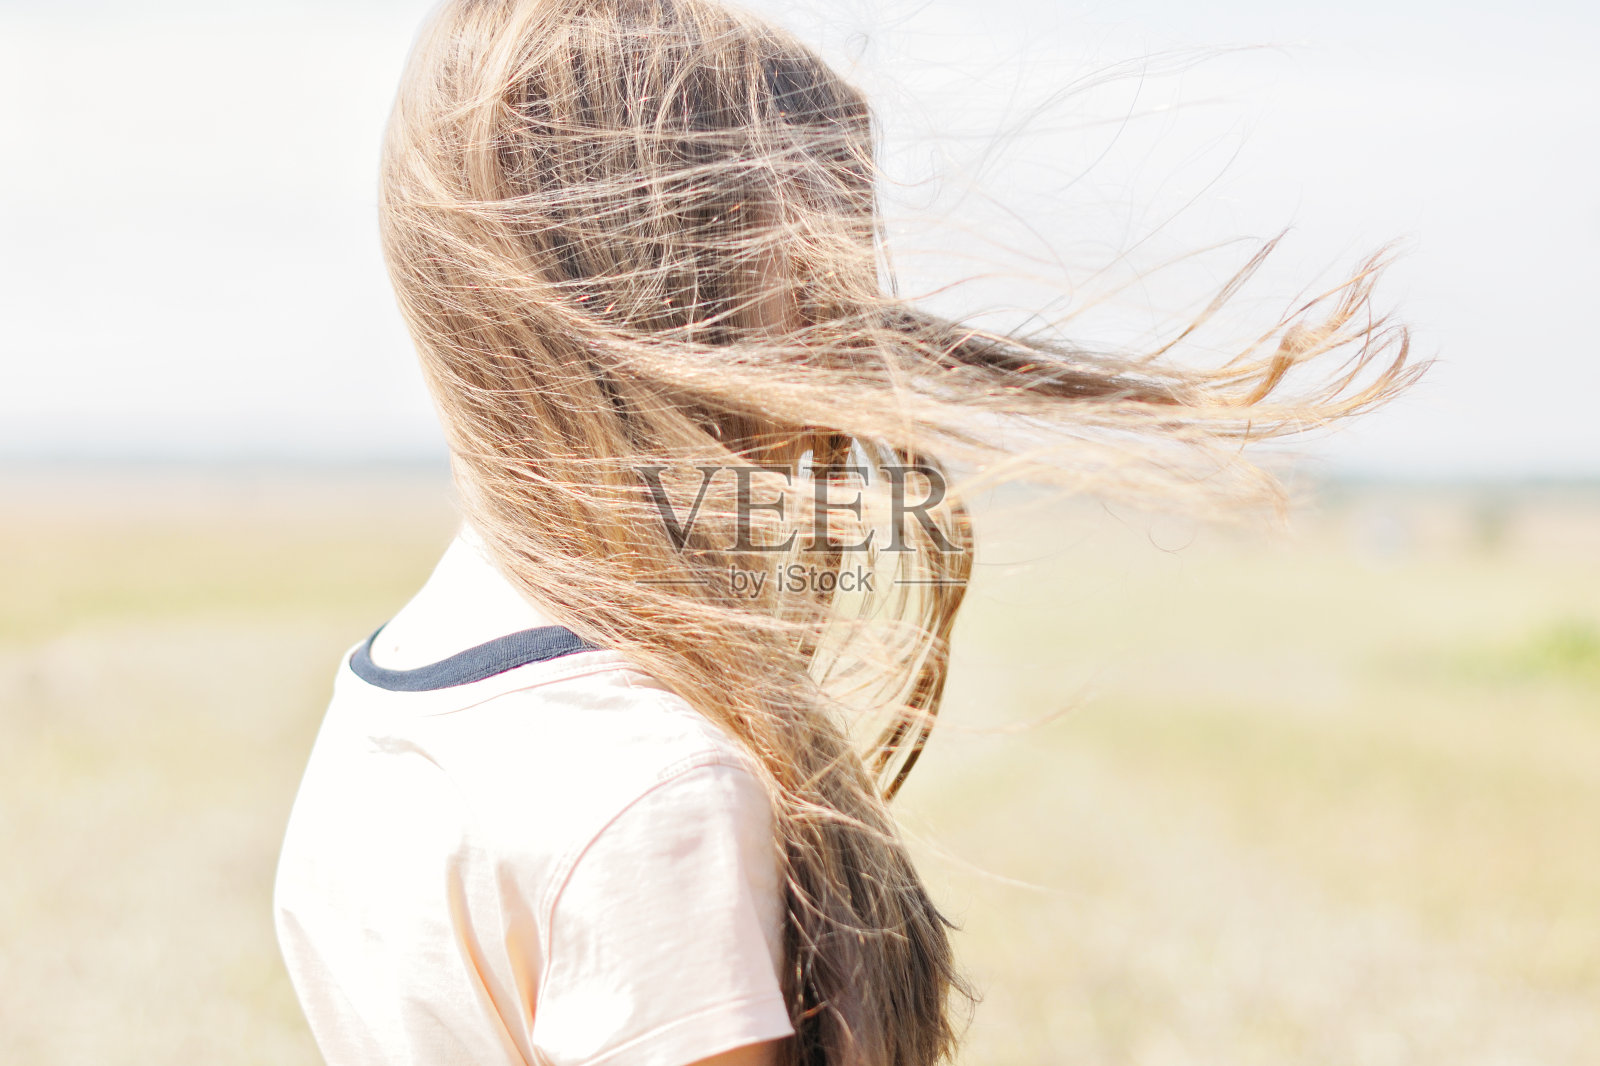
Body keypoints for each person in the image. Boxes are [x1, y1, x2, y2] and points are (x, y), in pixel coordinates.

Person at [272, 1, 1423, 1064]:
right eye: (818, 284)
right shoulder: (654, 792)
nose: (851, 343)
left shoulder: (381, 712)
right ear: (680, 300)